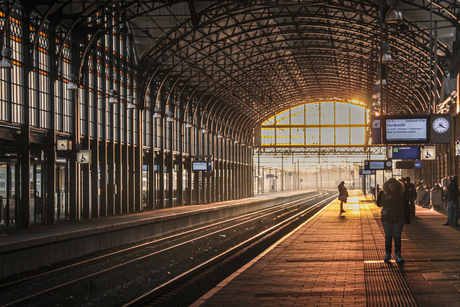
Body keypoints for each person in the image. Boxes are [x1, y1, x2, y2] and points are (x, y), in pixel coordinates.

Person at [377, 178, 410, 263]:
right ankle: (388, 254)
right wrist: (387, 198)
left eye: (394, 185)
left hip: (398, 218)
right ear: (387, 186)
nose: (392, 187)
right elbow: (379, 204)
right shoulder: (383, 194)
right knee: (388, 237)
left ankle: (397, 255)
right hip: (387, 218)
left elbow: (406, 206)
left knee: (397, 237)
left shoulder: (401, 194)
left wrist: (407, 219)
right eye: (390, 186)